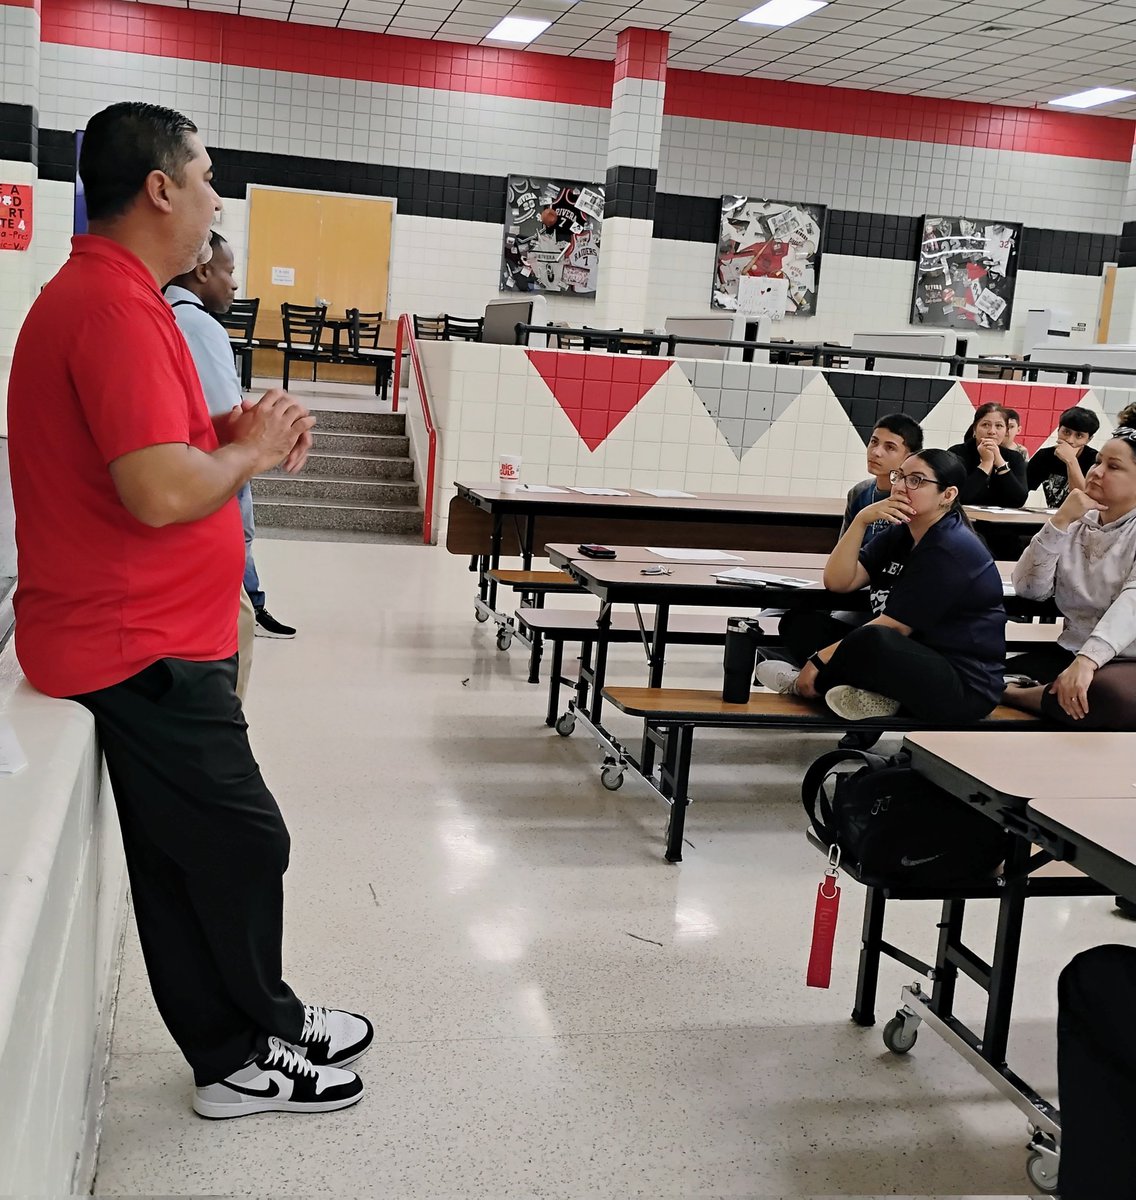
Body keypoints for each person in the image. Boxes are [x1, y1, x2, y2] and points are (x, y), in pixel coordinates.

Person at [6, 101, 370, 1119]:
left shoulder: (120, 296)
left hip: (138, 633)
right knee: (246, 843)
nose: (217, 197)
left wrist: (232, 426)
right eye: (206, 176)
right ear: (160, 188)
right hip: (135, 643)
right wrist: (248, 452)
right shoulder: (113, 310)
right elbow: (161, 491)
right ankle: (245, 1048)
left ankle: (248, 1035)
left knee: (182, 858)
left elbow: (151, 446)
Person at [756, 449, 1007, 723]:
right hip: (910, 659)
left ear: (947, 495)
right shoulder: (903, 532)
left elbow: (894, 627)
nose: (900, 486)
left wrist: (816, 661)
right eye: (900, 476)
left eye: (916, 480)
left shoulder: (950, 547)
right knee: (801, 624)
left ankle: (804, 685)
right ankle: (874, 696)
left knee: (873, 637)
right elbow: (839, 581)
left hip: (962, 687)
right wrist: (861, 520)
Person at [165, 230, 297, 641]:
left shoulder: (160, 313)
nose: (235, 284)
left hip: (185, 456)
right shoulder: (199, 326)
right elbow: (230, 415)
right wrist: (274, 427)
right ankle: (250, 607)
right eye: (230, 271)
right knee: (240, 536)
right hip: (216, 457)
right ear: (203, 271)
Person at [1002, 427, 1136, 730]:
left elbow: (1132, 603)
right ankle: (1041, 693)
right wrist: (1060, 520)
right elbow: (1029, 588)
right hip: (1070, 651)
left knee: (1104, 696)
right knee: (976, 672)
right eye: (1098, 462)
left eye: (1114, 467)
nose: (1096, 472)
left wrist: (1088, 660)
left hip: (1126, 661)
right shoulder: (1077, 522)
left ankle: (1014, 694)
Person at [841, 413, 924, 545]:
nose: (876, 452)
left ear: (910, 457)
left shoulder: (916, 497)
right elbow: (843, 547)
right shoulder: (858, 492)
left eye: (890, 447)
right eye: (874, 442)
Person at [947, 401, 1028, 507]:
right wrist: (986, 463)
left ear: (1006, 431)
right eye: (985, 425)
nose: (992, 431)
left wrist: (1000, 462)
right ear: (975, 429)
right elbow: (958, 497)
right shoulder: (957, 453)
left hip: (1000, 517)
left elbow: (1019, 500)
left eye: (999, 426)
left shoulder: (1014, 457)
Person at [1025, 405, 1100, 509]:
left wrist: (1071, 460)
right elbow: (1021, 490)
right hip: (1055, 515)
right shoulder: (1044, 456)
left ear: (1088, 439)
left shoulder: (1096, 460)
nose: (1069, 440)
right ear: (1058, 430)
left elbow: (1084, 502)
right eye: (1066, 432)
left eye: (1079, 436)